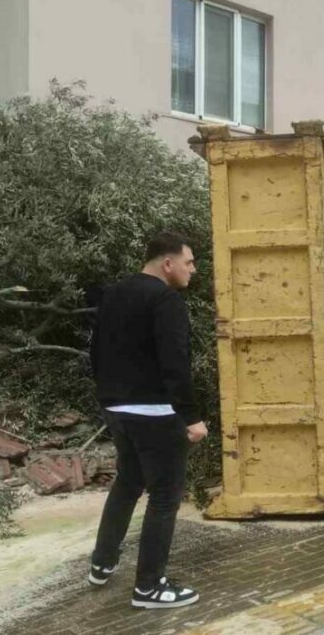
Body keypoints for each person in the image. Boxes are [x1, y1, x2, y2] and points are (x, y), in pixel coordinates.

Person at [89, 232, 206, 609]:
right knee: (165, 496)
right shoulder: (165, 300)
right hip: (155, 412)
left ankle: (102, 563)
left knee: (128, 483)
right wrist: (191, 417)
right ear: (167, 263)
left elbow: (95, 351)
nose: (193, 269)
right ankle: (149, 587)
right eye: (188, 262)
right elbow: (175, 363)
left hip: (117, 409)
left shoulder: (112, 294)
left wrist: (109, 397)